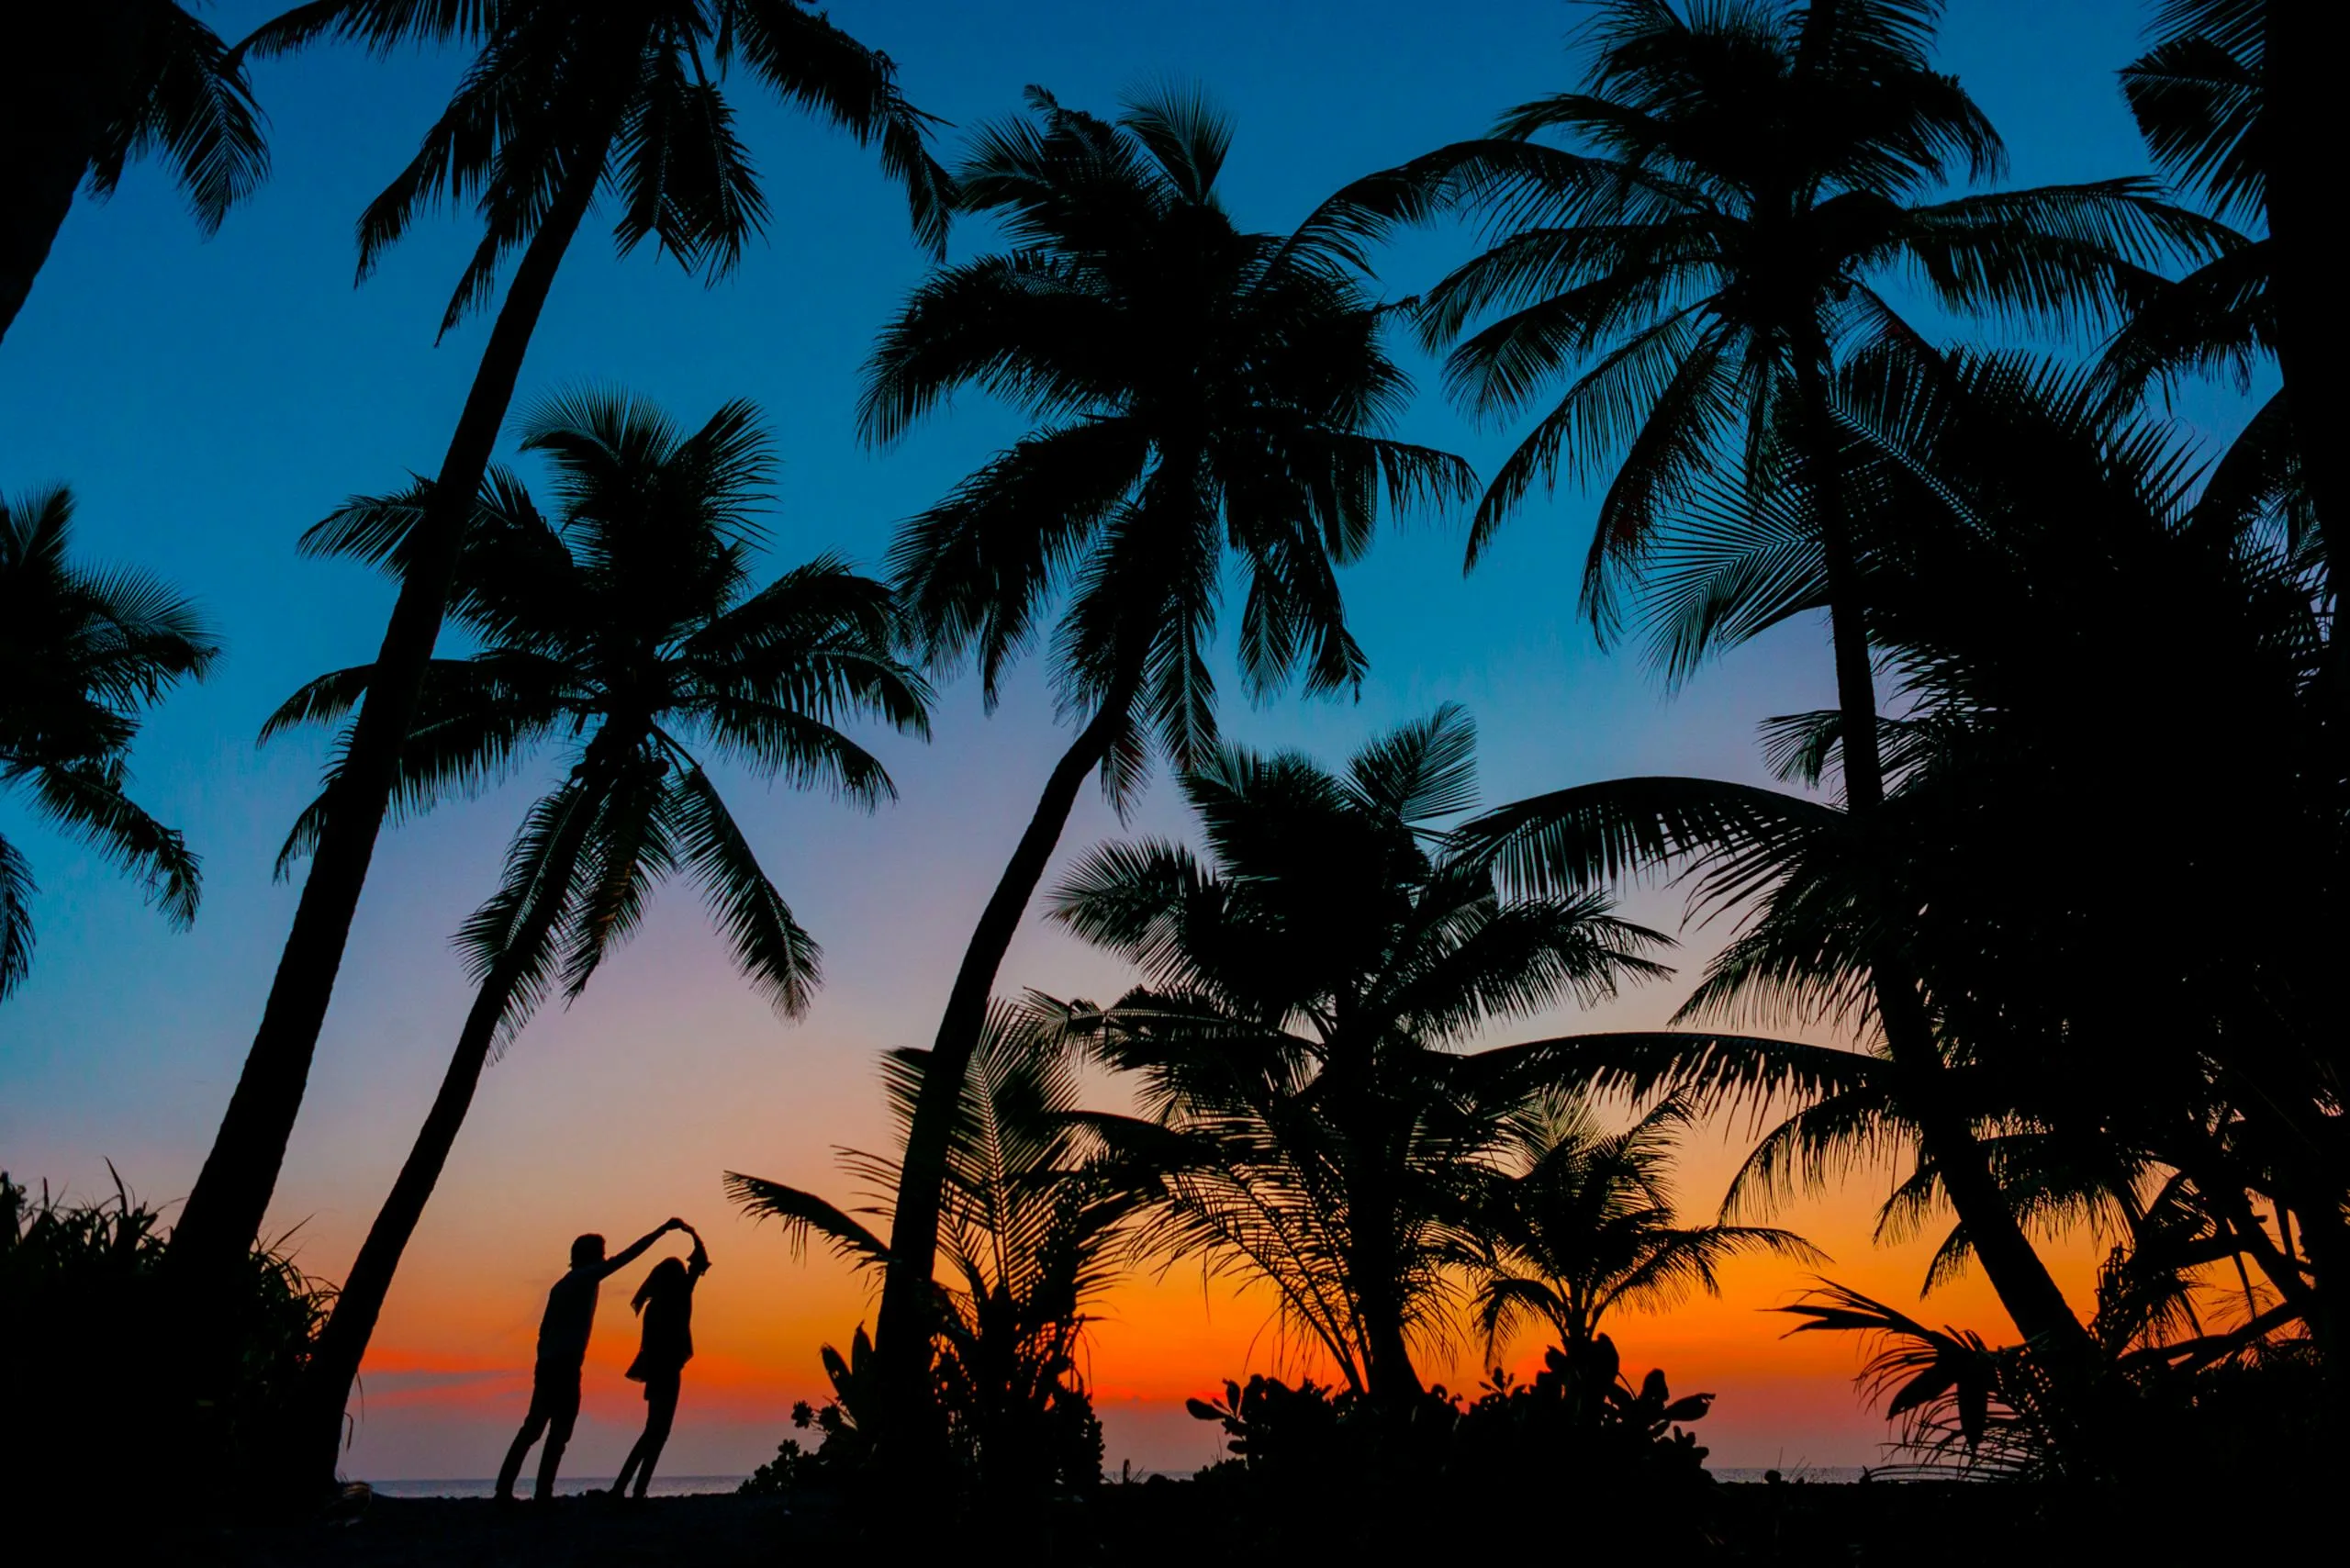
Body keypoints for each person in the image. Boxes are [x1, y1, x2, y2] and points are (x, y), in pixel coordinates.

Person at [495, 1218, 688, 1502]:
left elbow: (543, 1330)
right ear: (590, 1257)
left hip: (550, 1364)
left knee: (536, 1428)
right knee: (556, 1431)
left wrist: (544, 1358)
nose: (605, 1258)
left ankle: (512, 1490)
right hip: (564, 1366)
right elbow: (627, 1257)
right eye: (601, 1253)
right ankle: (538, 1493)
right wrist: (661, 1231)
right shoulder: (585, 1278)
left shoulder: (561, 1286)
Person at [613, 1225, 712, 1500]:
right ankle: (632, 1489)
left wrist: (689, 1233)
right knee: (658, 1432)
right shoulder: (678, 1297)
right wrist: (692, 1233)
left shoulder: (655, 1306)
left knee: (653, 1431)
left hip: (658, 1371)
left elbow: (697, 1265)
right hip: (667, 1371)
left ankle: (628, 1488)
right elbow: (700, 1262)